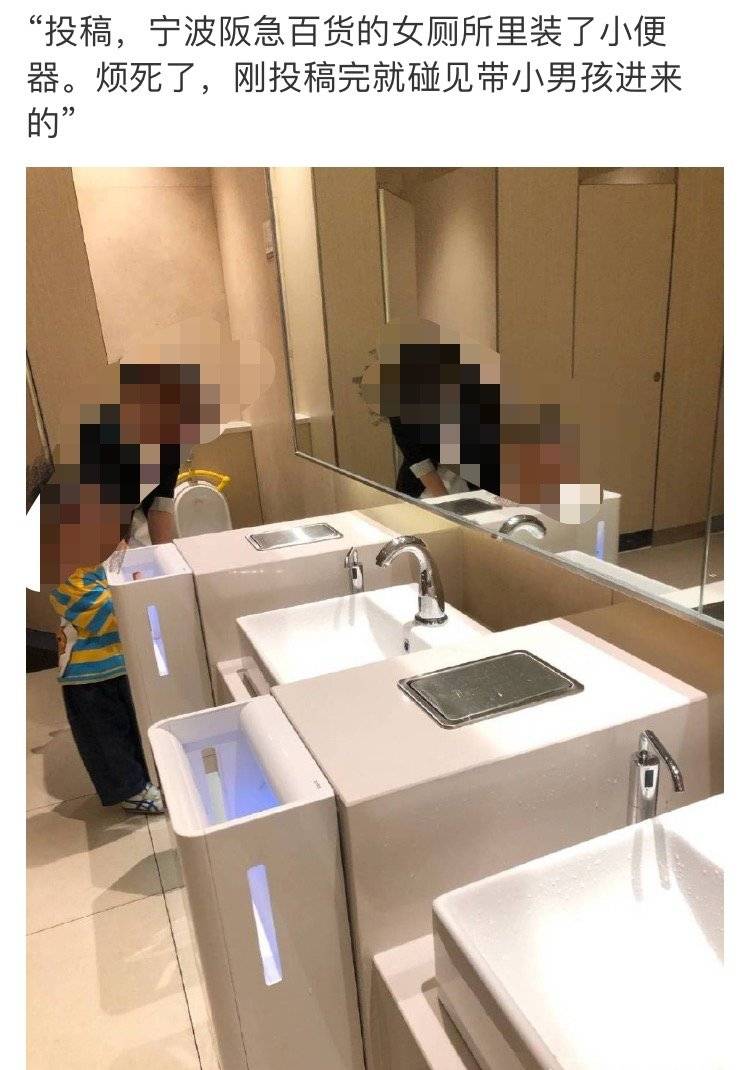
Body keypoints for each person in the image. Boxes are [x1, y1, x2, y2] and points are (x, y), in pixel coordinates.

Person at [46, 483, 165, 813]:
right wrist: (138, 593)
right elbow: (104, 614)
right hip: (90, 676)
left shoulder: (107, 557)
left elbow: (122, 573)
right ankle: (131, 789)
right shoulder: (66, 573)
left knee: (134, 724)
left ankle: (145, 776)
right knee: (106, 738)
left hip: (120, 663)